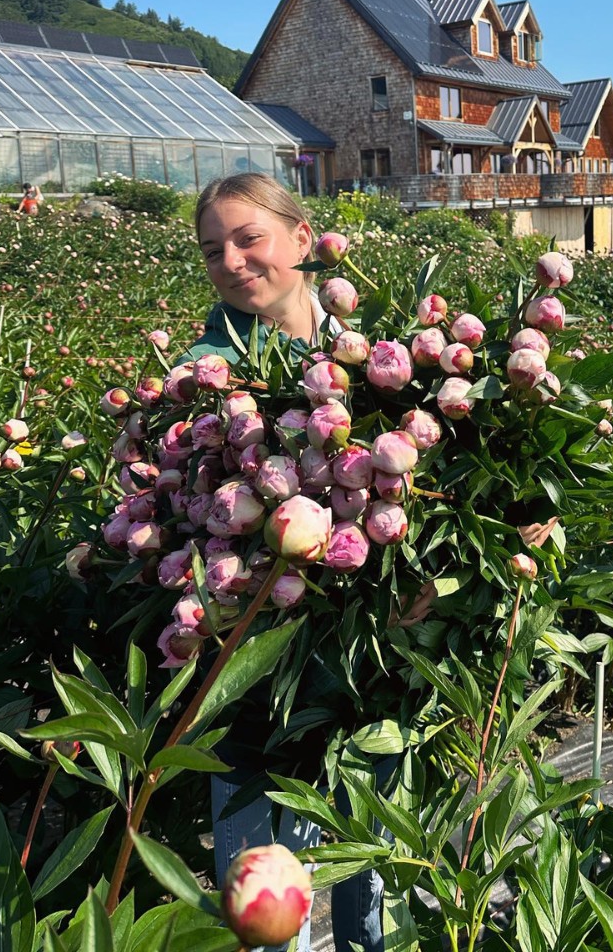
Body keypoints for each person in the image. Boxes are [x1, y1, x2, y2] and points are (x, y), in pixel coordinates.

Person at [188, 173, 390, 952]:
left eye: (248, 238)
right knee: (265, 892)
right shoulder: (209, 377)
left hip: (357, 673)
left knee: (361, 856)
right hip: (253, 671)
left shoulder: (377, 349)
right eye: (213, 251)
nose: (232, 261)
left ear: (304, 239)